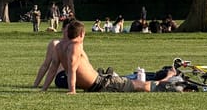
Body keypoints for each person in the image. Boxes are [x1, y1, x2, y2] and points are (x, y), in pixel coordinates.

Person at [48, 21, 180, 94]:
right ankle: (169, 77)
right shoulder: (75, 47)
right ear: (82, 34)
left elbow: (53, 69)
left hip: (99, 83)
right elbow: (71, 70)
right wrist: (72, 90)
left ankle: (168, 77)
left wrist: (43, 88)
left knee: (138, 84)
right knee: (141, 85)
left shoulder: (60, 47)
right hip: (101, 84)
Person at [33, 18, 73, 88]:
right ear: (63, 29)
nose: (70, 33)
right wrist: (35, 84)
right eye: (68, 30)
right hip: (62, 75)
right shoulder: (56, 44)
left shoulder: (76, 44)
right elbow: (46, 65)